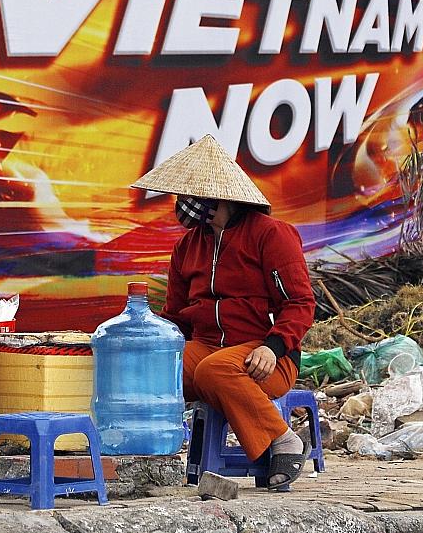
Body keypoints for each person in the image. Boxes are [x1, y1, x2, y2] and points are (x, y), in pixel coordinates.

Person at [132, 135, 316, 490]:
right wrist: (150, 344)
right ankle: (142, 458)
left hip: (267, 355)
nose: (187, 204)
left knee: (213, 370)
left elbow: (300, 303)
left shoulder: (271, 235)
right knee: (150, 369)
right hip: (205, 348)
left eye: (196, 195)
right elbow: (176, 317)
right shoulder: (187, 246)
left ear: (222, 196)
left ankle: (284, 439)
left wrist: (273, 347)